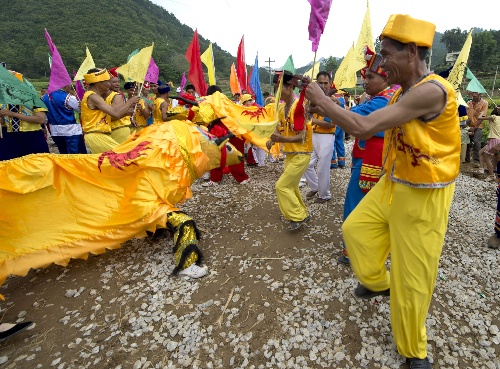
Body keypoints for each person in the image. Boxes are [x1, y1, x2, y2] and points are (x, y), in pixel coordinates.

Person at [305, 14, 460, 369]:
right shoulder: (402, 92)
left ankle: (414, 350)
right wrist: (325, 108)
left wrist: (325, 102)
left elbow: (361, 127)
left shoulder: (432, 91)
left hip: (424, 195)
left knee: (413, 277)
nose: (379, 62)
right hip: (392, 182)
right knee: (354, 231)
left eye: (386, 54)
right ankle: (377, 281)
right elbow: (356, 121)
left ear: (410, 52)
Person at [336, 46, 396, 265]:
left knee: (356, 201)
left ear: (385, 78)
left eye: (370, 77)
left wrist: (325, 107)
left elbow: (354, 118)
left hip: (372, 157)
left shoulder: (383, 100)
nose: (365, 82)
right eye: (365, 78)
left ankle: (354, 252)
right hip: (373, 154)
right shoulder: (383, 96)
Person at [266, 70, 312, 231]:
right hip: (290, 154)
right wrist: (272, 139)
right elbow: (279, 128)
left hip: (302, 153)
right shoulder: (281, 109)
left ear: (290, 87)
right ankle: (302, 212)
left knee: (281, 186)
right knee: (290, 186)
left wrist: (282, 140)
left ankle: (299, 216)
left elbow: (302, 137)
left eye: (279, 88)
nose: (276, 92)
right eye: (275, 89)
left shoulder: (300, 107)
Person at [80, 68, 138, 154]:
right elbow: (116, 114)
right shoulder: (93, 96)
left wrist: (126, 112)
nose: (109, 84)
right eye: (107, 81)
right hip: (96, 135)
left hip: (99, 135)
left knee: (115, 162)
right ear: (98, 83)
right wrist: (130, 101)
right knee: (123, 157)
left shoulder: (94, 96)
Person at [203, 85, 250, 187]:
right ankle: (216, 178)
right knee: (216, 155)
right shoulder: (225, 104)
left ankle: (241, 177)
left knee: (233, 154)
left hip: (231, 131)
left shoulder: (225, 104)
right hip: (225, 131)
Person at [303, 71, 336, 203]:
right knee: (306, 164)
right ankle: (316, 186)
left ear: (330, 84)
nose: (323, 85)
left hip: (326, 137)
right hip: (313, 136)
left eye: (325, 83)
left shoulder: (333, 102)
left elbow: (331, 123)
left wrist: (312, 121)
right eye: (320, 83)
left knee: (323, 167)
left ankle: (324, 194)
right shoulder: (311, 101)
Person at [0, 71, 49, 161]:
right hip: (10, 138)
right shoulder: (3, 101)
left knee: (36, 166)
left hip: (31, 137)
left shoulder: (33, 99)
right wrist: (2, 118)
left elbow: (41, 119)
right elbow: (3, 123)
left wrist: (13, 114)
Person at [41, 84, 87, 154]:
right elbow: (81, 109)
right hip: (71, 130)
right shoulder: (68, 97)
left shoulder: (44, 97)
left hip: (55, 130)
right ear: (66, 86)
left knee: (63, 154)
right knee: (77, 155)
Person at [105, 69, 132, 144]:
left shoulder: (116, 95)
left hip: (119, 129)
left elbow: (116, 115)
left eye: (118, 82)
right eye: (114, 82)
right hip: (112, 130)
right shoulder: (106, 96)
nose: (117, 84)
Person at [476, 105, 500, 180]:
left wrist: (482, 112)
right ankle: (482, 169)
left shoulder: (494, 117)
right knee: (481, 152)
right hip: (497, 140)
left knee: (487, 157)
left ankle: (492, 175)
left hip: (493, 140)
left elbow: (479, 118)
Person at [465, 92, 488, 164]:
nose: (474, 95)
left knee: (476, 142)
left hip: (478, 126)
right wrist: (466, 126)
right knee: (466, 143)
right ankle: (466, 159)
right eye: (473, 93)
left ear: (480, 94)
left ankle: (476, 161)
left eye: (476, 93)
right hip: (468, 125)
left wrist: (475, 127)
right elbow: (465, 115)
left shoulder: (484, 103)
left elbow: (482, 117)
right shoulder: (468, 103)